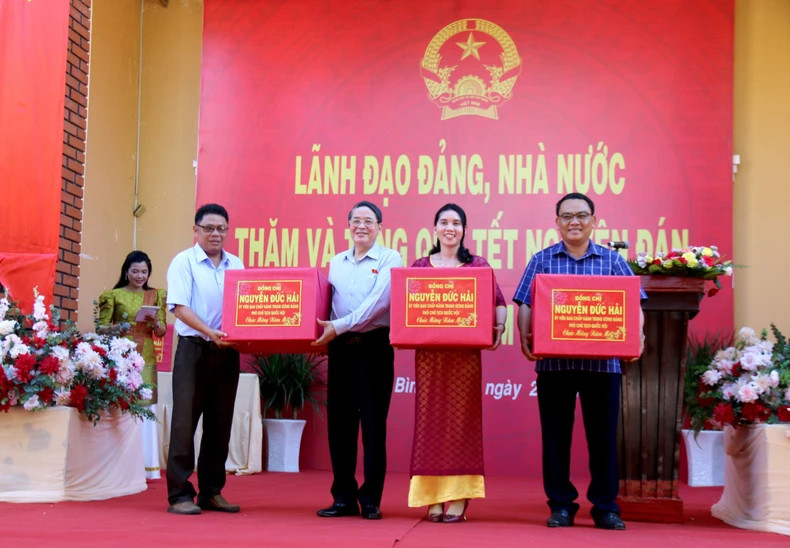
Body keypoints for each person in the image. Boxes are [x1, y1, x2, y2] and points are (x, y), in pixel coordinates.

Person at [513, 192, 645, 531]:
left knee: (603, 438)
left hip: (603, 367)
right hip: (554, 365)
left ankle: (605, 507)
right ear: (556, 222)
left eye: (582, 215)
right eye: (567, 216)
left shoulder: (613, 261)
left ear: (594, 221)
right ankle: (560, 505)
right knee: (555, 438)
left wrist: (637, 339)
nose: (575, 221)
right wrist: (527, 339)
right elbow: (525, 304)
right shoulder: (541, 260)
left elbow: (634, 305)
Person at [408, 203, 507, 523]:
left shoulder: (477, 265)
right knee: (431, 423)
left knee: (461, 424)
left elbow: (499, 303)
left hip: (464, 359)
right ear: (434, 229)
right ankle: (432, 497)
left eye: (456, 223)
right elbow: (405, 306)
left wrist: (499, 327)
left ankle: (460, 495)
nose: (450, 228)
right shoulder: (420, 267)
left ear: (464, 230)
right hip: (430, 358)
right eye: (444, 222)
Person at [312, 200, 402, 520]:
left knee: (373, 425)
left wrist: (339, 325)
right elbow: (326, 305)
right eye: (355, 220)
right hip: (341, 351)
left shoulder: (391, 258)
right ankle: (343, 497)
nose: (361, 225)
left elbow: (378, 304)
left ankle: (371, 499)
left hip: (373, 348)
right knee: (340, 426)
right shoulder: (336, 262)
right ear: (347, 226)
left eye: (368, 220)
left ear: (379, 227)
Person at [164, 203, 244, 515]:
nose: (215, 234)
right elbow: (180, 308)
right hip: (194, 350)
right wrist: (210, 332)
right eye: (209, 228)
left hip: (227, 352)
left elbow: (246, 307)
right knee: (184, 423)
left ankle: (211, 491)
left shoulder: (236, 264)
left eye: (221, 228)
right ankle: (179, 495)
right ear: (196, 230)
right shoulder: (183, 262)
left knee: (219, 424)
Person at [98, 250, 167, 480]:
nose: (140, 276)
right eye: (135, 271)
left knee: (146, 406)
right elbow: (101, 328)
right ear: (126, 272)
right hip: (121, 356)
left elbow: (162, 332)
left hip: (146, 356)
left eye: (144, 272)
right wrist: (120, 328)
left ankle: (148, 465)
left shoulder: (156, 296)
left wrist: (155, 321)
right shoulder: (113, 295)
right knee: (122, 404)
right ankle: (121, 463)